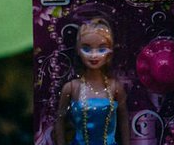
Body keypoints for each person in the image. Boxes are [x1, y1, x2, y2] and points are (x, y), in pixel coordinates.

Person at [55, 17, 129, 145]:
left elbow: (124, 120)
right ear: (78, 50)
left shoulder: (115, 87)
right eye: (87, 48)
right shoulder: (71, 87)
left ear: (110, 52)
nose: (94, 55)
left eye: (102, 49)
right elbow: (60, 120)